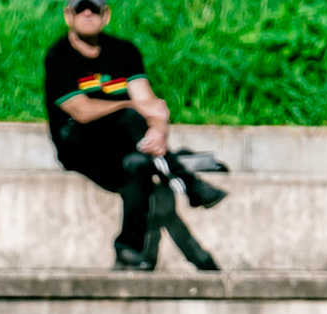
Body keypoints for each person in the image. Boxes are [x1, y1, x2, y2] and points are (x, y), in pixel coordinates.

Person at [43, 0, 225, 271]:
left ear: (106, 16)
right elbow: (80, 110)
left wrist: (159, 132)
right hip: (79, 145)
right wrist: (130, 106)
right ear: (69, 16)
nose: (88, 14)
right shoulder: (59, 56)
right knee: (130, 118)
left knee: (138, 164)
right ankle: (186, 181)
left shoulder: (123, 52)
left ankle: (128, 249)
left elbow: (149, 103)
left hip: (120, 146)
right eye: (81, 9)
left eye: (94, 9)